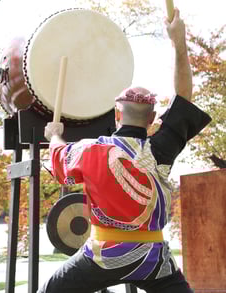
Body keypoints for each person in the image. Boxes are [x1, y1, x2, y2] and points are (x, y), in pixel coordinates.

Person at [40, 8, 211, 293]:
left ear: (117, 116)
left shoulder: (90, 151)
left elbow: (58, 159)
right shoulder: (161, 149)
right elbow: (184, 98)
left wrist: (55, 136)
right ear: (152, 119)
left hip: (103, 255)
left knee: (50, 291)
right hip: (152, 258)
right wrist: (179, 43)